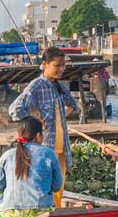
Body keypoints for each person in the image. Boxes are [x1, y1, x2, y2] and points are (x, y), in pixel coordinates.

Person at [8, 47, 76, 205]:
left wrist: (60, 116)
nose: (61, 69)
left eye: (63, 65)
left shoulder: (59, 86)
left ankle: (57, 215)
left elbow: (72, 104)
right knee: (44, 188)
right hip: (44, 147)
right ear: (45, 64)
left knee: (58, 189)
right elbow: (15, 109)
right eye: (57, 65)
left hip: (62, 147)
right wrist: (34, 120)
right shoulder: (36, 86)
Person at [0, 117, 63, 217]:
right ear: (38, 135)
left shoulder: (7, 155)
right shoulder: (49, 154)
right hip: (40, 212)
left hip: (11, 214)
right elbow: (56, 186)